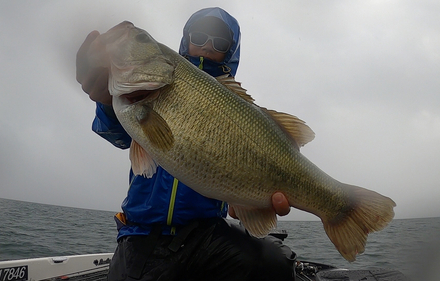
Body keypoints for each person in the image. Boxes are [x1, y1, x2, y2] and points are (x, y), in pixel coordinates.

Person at [76, 7, 296, 281]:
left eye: (219, 41)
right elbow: (116, 135)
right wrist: (108, 103)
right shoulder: (152, 81)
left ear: (230, 52)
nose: (207, 45)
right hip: (143, 233)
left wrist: (245, 199)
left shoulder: (235, 108)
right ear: (185, 39)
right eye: (200, 35)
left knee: (276, 267)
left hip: (206, 233)